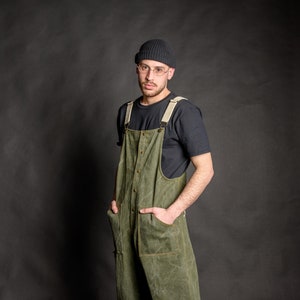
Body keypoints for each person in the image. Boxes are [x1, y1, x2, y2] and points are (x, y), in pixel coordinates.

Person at [108, 39, 214, 300]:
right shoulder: (126, 113)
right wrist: (117, 201)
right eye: (144, 67)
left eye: (158, 69)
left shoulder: (183, 112)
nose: (150, 76)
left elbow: (206, 169)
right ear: (136, 68)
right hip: (127, 229)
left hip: (161, 228)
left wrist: (172, 212)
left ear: (170, 72)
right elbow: (127, 164)